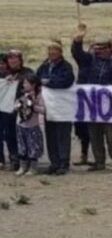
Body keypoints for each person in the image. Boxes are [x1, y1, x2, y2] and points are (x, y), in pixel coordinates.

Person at [71, 25, 112, 172]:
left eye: (101, 49)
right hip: (92, 105)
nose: (98, 51)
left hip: (110, 106)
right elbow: (78, 54)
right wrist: (77, 40)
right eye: (96, 48)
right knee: (94, 134)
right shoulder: (90, 61)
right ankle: (99, 162)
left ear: (109, 49)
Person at [36, 40, 75, 175]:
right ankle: (54, 163)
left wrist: (49, 82)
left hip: (63, 106)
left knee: (63, 135)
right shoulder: (45, 65)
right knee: (50, 134)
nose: (52, 52)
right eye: (50, 50)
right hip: (49, 106)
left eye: (55, 50)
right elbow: (37, 78)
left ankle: (64, 163)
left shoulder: (66, 66)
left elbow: (66, 81)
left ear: (60, 51)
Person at [2, 50, 34, 172]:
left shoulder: (27, 71)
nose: (13, 61)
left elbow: (33, 82)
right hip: (7, 109)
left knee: (26, 134)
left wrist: (18, 80)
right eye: (10, 59)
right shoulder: (4, 73)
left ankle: (29, 158)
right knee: (10, 135)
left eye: (15, 59)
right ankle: (14, 158)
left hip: (24, 108)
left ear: (20, 60)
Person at [14, 74, 45, 176]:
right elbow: (14, 106)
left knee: (33, 147)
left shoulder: (39, 95)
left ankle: (33, 167)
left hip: (32, 125)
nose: (24, 85)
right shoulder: (21, 94)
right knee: (22, 146)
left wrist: (33, 106)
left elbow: (44, 110)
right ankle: (22, 166)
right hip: (21, 125)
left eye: (26, 83)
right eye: (24, 83)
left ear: (34, 84)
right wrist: (19, 105)